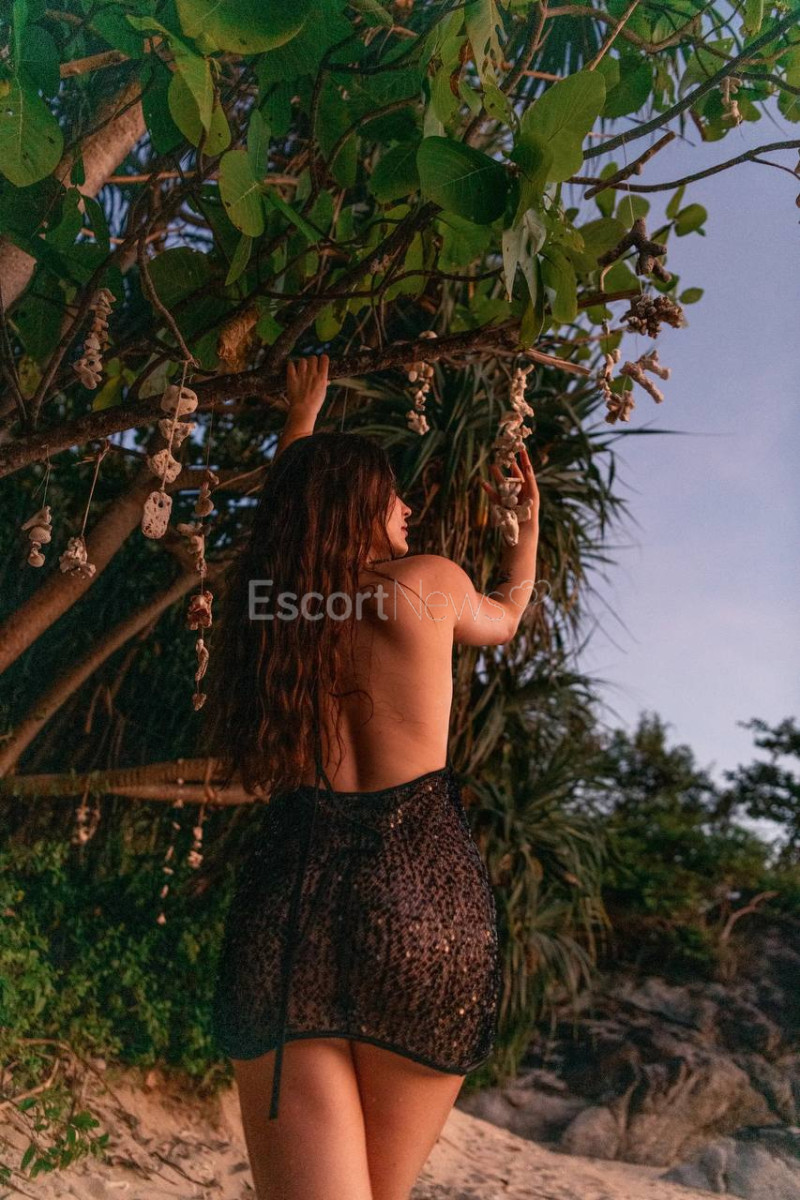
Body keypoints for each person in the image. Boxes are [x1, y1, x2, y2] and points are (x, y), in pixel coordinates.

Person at [203, 353, 540, 1200]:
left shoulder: (280, 610)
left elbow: (291, 518)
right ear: (358, 504)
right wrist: (525, 540)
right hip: (421, 907)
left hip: (296, 905)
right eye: (392, 495)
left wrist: (300, 421)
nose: (407, 507)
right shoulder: (428, 587)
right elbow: (506, 617)